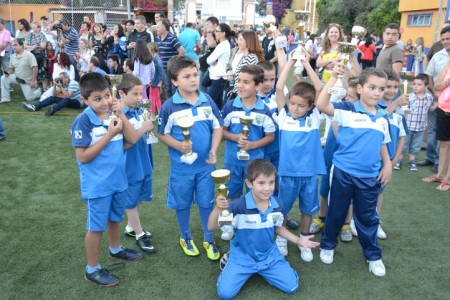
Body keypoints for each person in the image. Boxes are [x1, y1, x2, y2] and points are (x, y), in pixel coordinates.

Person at [316, 67, 392, 277]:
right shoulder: (347, 109)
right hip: (343, 173)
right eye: (372, 87)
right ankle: (328, 245)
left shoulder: (382, 117)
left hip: (369, 177)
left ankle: (373, 255)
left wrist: (387, 165)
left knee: (368, 218)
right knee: (336, 212)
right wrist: (332, 79)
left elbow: (382, 143)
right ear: (359, 88)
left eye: (382, 89)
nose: (377, 92)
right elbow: (321, 104)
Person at [71, 72, 144, 286]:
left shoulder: (115, 114)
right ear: (85, 100)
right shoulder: (83, 121)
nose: (104, 102)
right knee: (96, 227)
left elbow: (131, 139)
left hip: (117, 180)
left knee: (115, 218)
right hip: (98, 185)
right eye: (97, 99)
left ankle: (115, 249)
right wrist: (109, 136)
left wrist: (120, 114)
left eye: (106, 96)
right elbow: (83, 157)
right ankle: (92, 269)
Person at [208, 159, 319, 299]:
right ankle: (232, 259)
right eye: (261, 183)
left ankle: (273, 268)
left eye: (271, 182)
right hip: (243, 257)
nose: (267, 188)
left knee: (292, 287)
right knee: (225, 294)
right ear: (249, 183)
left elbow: (277, 227)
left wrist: (298, 240)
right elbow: (211, 227)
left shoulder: (278, 204)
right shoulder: (237, 207)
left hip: (268, 256)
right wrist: (218, 208)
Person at [157, 56, 223, 260]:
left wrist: (213, 149)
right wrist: (178, 145)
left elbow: (217, 126)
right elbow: (161, 133)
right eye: (187, 76)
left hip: (205, 166)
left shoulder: (206, 99)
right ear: (175, 81)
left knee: (206, 201)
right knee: (182, 203)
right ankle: (185, 236)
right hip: (182, 168)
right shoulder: (169, 106)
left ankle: (208, 238)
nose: (194, 79)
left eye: (195, 74)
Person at [273, 47, 325, 260]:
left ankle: (304, 240)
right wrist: (290, 61)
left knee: (307, 210)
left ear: (310, 106)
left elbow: (320, 90)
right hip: (286, 173)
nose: (295, 108)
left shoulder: (314, 119)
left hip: (309, 174)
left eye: (301, 105)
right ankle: (282, 239)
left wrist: (305, 63)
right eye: (292, 103)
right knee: (283, 209)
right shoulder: (283, 117)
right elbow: (279, 88)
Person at [221, 65, 275, 202]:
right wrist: (235, 137)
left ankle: (253, 222)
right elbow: (221, 131)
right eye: (239, 81)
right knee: (232, 196)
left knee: (256, 196)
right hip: (232, 161)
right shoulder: (230, 106)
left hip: (255, 163)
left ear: (258, 85)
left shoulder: (264, 110)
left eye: (246, 82)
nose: (240, 85)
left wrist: (252, 145)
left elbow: (270, 137)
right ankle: (233, 221)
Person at [118, 73, 156, 252]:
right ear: (121, 94)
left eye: (141, 94)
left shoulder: (139, 111)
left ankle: (131, 227)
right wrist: (143, 129)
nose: (139, 98)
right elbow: (121, 146)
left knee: (141, 196)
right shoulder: (118, 117)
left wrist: (148, 125)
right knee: (131, 200)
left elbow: (144, 132)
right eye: (134, 94)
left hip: (144, 160)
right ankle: (140, 234)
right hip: (130, 165)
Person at [420, 25, 450, 173]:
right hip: (436, 97)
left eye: (448, 39)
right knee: (432, 129)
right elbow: (429, 76)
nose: (445, 42)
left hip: (447, 103)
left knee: (444, 135)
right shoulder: (438, 55)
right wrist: (434, 93)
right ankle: (431, 158)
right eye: (443, 39)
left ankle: (440, 163)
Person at [395, 74, 436, 171]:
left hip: (421, 127)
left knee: (416, 145)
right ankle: (399, 160)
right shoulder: (409, 97)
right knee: (404, 144)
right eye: (414, 84)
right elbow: (402, 110)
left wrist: (435, 106)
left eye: (419, 84)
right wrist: (407, 110)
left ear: (426, 86)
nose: (416, 86)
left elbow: (429, 108)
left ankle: (412, 161)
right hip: (408, 126)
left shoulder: (429, 98)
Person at [423, 60, 450, 191]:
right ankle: (440, 175)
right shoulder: (449, 64)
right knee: (444, 143)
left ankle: (448, 180)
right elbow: (437, 86)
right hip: (443, 109)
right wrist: (446, 83)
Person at [0, 39, 41, 103]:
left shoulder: (29, 55)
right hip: (17, 78)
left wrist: (33, 81)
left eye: (16, 45)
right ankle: (5, 98)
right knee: (3, 78)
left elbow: (35, 68)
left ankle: (38, 91)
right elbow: (11, 69)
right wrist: (7, 73)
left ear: (22, 46)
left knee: (30, 98)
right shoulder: (12, 56)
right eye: (13, 45)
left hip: (26, 81)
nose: (14, 47)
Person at [226, 31, 264, 98]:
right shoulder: (246, 56)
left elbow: (249, 78)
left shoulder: (251, 57)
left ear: (248, 41)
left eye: (241, 40)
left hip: (243, 95)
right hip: (238, 92)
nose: (238, 42)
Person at [157, 18, 185, 98]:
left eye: (158, 27)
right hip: (163, 69)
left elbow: (182, 52)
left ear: (164, 27)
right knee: (167, 88)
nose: (157, 29)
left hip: (172, 69)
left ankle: (176, 103)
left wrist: (175, 64)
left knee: (174, 88)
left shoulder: (172, 38)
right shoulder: (158, 39)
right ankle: (170, 104)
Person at [206, 23, 231, 110]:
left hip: (219, 77)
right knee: (217, 102)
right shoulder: (224, 44)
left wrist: (213, 61)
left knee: (209, 101)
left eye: (217, 31)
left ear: (223, 33)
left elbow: (209, 60)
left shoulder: (222, 45)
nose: (215, 33)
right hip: (220, 76)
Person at [147, 42, 163, 120]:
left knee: (152, 98)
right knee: (156, 98)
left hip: (155, 83)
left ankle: (153, 115)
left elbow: (160, 73)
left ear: (151, 50)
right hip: (155, 82)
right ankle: (160, 114)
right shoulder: (155, 58)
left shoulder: (157, 59)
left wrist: (154, 83)